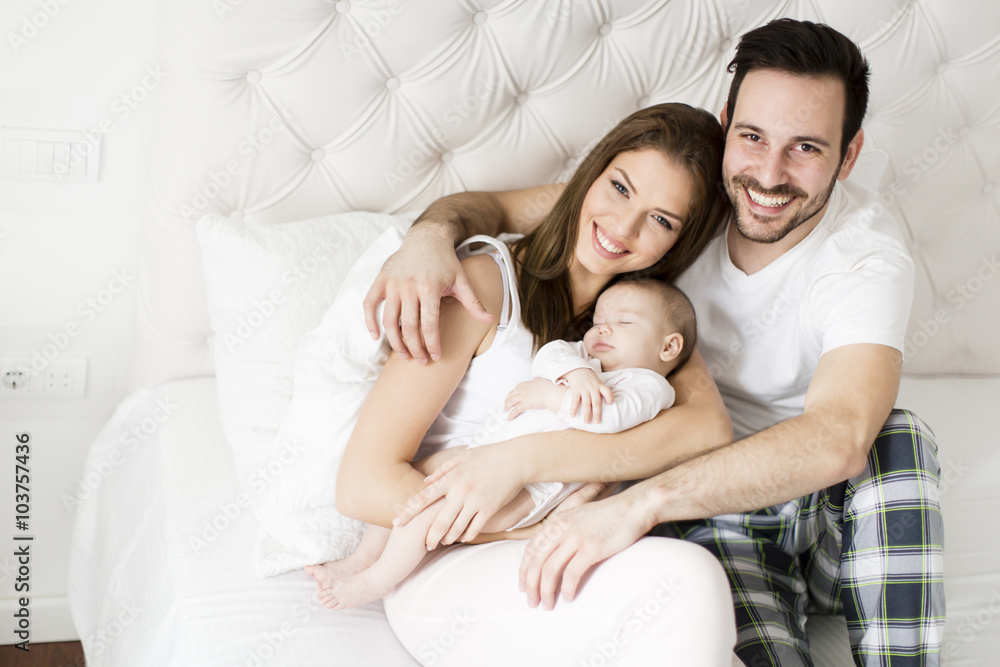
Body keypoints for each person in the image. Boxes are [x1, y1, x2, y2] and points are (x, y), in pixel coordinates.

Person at [374, 18, 945, 667]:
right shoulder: (681, 208)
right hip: (719, 506)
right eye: (753, 137)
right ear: (727, 123)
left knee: (898, 437)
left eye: (806, 147)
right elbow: (508, 210)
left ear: (848, 154)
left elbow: (842, 436)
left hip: (826, 512)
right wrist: (428, 237)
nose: (769, 173)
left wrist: (642, 503)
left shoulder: (865, 254)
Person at [337, 102, 740, 666]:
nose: (623, 228)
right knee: (686, 584)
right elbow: (360, 485)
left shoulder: (641, 322)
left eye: (662, 220)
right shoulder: (483, 285)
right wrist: (515, 525)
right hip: (437, 567)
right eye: (620, 188)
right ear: (591, 174)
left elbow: (706, 428)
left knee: (692, 622)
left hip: (557, 548)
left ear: (680, 242)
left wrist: (525, 461)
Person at [308, 279, 695, 611]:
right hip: (487, 458)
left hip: (534, 489)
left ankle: (374, 582)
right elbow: (551, 352)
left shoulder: (649, 387)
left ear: (668, 347)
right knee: (419, 479)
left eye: (622, 322)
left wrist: (550, 396)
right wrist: (574, 372)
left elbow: (608, 419)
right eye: (597, 323)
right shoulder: (583, 362)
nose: (600, 331)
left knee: (431, 510)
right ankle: (361, 558)